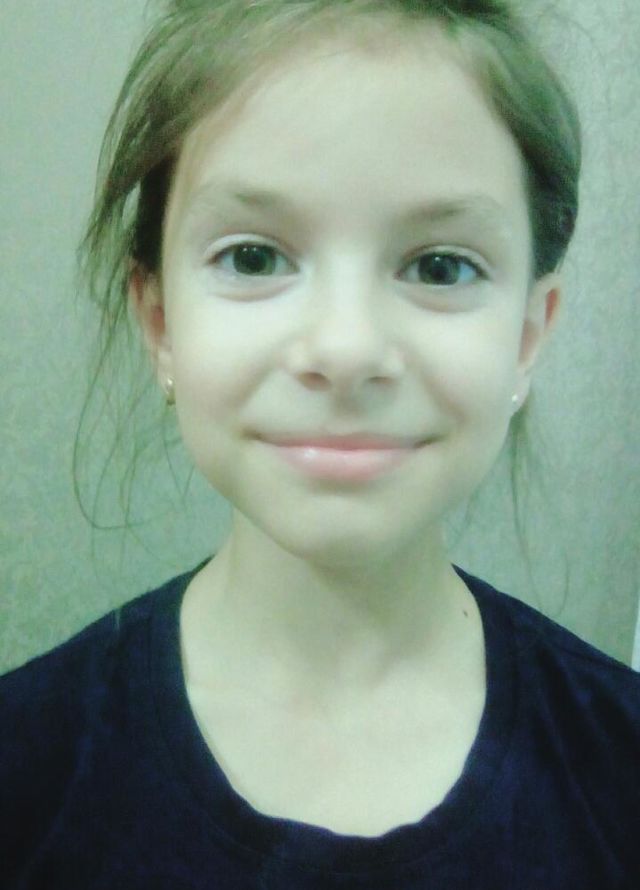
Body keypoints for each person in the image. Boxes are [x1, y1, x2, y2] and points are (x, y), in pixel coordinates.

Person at [1, 0, 639, 887]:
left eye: (441, 266)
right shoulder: (24, 772)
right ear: (160, 324)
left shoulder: (619, 773)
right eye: (254, 258)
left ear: (529, 336)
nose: (345, 350)